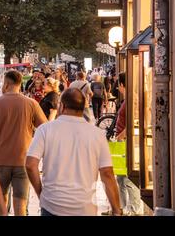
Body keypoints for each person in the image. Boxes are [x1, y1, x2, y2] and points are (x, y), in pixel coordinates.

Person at [26, 88, 122, 216]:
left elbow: (30, 165)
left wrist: (41, 194)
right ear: (83, 108)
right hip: (85, 208)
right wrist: (116, 210)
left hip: (52, 205)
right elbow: (107, 174)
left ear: (62, 106)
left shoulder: (45, 130)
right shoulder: (97, 135)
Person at [0, 70, 47, 216]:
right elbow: (45, 128)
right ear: (20, 84)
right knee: (21, 204)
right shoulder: (31, 104)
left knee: (1, 203)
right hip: (23, 159)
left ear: (6, 84)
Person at [113, 73, 143, 215]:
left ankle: (135, 210)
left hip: (127, 142)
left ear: (122, 85)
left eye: (119, 85)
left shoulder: (132, 99)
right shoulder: (128, 99)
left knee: (129, 179)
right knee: (120, 177)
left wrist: (120, 136)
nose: (118, 88)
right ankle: (122, 208)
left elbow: (133, 121)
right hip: (123, 142)